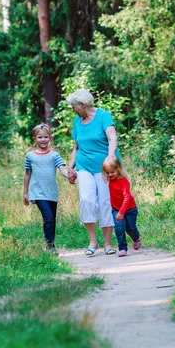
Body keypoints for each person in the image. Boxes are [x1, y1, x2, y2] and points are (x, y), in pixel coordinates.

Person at [66, 88, 119, 255]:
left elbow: (112, 137)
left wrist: (110, 157)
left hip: (104, 167)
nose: (72, 109)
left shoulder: (103, 116)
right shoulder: (77, 121)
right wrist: (70, 166)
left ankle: (108, 244)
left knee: (105, 201)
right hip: (84, 166)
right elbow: (76, 146)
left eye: (73, 106)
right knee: (86, 199)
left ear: (82, 104)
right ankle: (93, 241)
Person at [23, 123, 71, 255]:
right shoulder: (30, 156)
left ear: (50, 138)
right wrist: (25, 193)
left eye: (45, 137)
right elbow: (27, 175)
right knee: (48, 218)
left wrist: (70, 175)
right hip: (37, 193)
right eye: (40, 137)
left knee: (52, 219)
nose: (43, 140)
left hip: (51, 192)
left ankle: (51, 243)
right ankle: (50, 246)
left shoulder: (54, 155)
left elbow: (62, 169)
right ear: (35, 139)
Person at [102, 156, 142, 257]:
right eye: (107, 173)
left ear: (118, 169)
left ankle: (136, 238)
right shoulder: (109, 178)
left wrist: (122, 212)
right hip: (116, 209)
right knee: (119, 228)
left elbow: (127, 197)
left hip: (129, 209)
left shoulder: (124, 181)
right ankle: (122, 248)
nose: (110, 175)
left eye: (112, 172)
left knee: (130, 228)